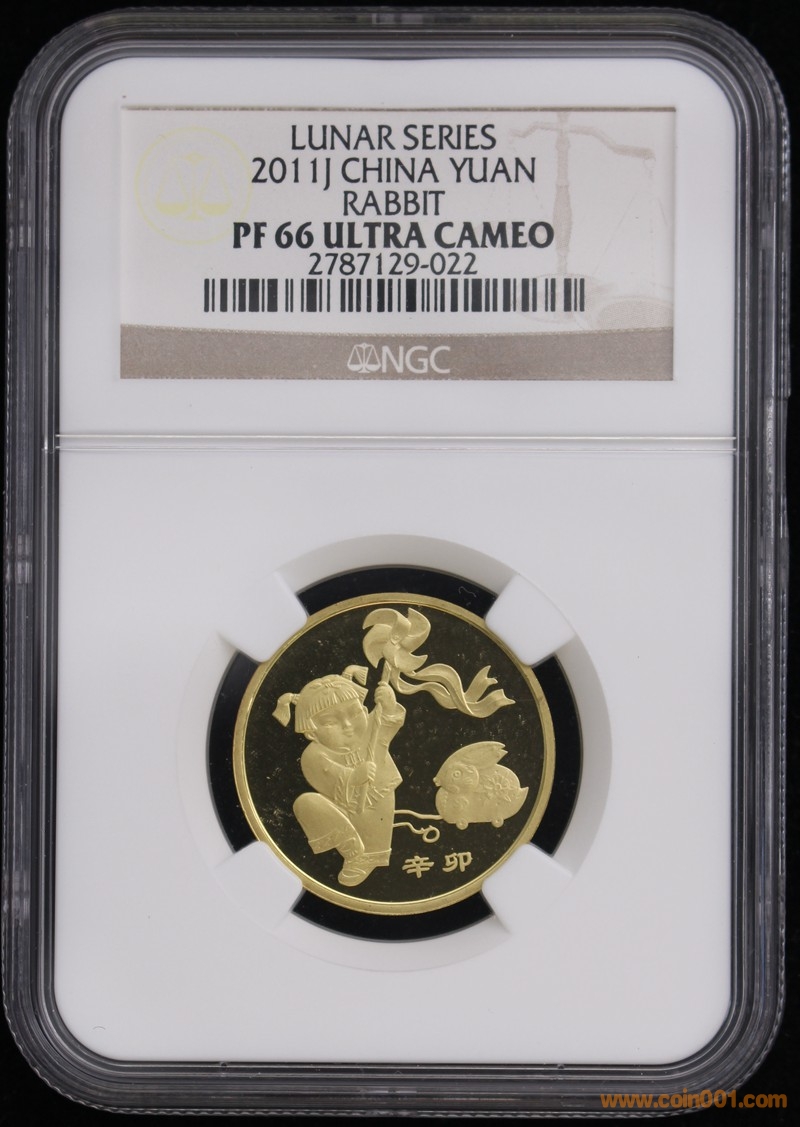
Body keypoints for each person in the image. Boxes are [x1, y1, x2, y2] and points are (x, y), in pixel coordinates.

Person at [273, 667, 404, 887]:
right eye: (330, 722)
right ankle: (353, 851)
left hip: (379, 798)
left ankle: (371, 856)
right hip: (343, 808)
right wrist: (353, 777)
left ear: (364, 710)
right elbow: (324, 778)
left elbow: (387, 721)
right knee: (305, 803)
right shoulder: (314, 755)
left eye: (354, 713)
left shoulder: (371, 731)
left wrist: (389, 705)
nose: (348, 725)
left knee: (375, 836)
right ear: (311, 732)